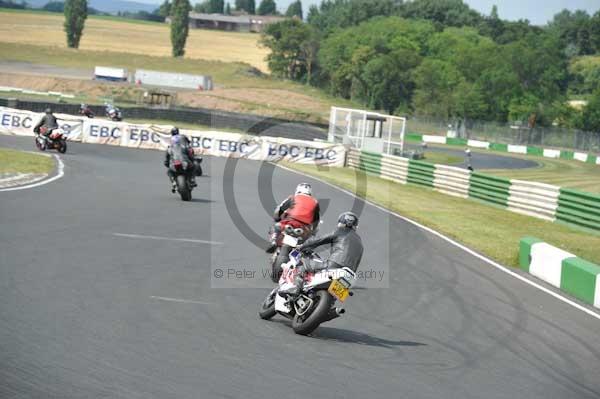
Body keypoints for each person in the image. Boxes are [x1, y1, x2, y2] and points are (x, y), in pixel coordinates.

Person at [279, 211, 363, 298]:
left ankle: (296, 288)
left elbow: (319, 240)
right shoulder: (360, 242)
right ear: (355, 226)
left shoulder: (341, 231)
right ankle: (330, 308)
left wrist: (301, 246)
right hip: (350, 274)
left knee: (302, 265)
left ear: (341, 222)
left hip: (335, 265)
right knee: (335, 295)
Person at [266, 183, 320, 254]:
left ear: (297, 190)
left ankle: (273, 241)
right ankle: (303, 250)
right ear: (310, 192)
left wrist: (277, 218)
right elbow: (316, 220)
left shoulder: (292, 197)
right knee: (308, 240)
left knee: (276, 226)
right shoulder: (315, 202)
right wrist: (312, 232)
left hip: (290, 222)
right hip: (304, 227)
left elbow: (279, 210)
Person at [164, 127, 196, 193]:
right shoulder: (183, 140)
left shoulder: (170, 146)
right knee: (193, 166)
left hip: (174, 162)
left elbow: (167, 158)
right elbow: (189, 151)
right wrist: (192, 158)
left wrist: (167, 163)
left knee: (169, 171)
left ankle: (174, 183)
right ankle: (192, 179)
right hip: (184, 161)